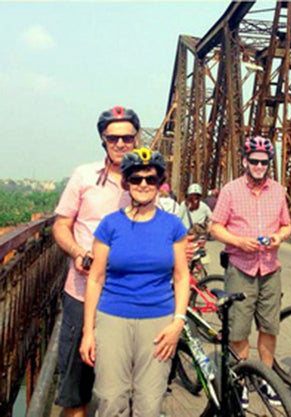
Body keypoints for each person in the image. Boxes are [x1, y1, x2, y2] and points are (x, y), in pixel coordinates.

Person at [79, 147, 190, 416]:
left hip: (158, 321)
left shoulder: (173, 226)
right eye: (136, 179)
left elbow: (181, 276)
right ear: (127, 183)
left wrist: (178, 322)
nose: (143, 184)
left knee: (149, 403)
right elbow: (95, 278)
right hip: (113, 317)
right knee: (109, 399)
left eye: (150, 179)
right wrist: (88, 331)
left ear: (159, 183)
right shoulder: (110, 225)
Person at [52, 105, 140, 417]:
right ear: (103, 139)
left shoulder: (146, 180)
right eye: (113, 138)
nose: (120, 144)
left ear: (136, 138)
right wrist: (78, 252)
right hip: (81, 290)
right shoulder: (84, 176)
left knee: (125, 392)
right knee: (76, 393)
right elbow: (61, 225)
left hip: (128, 296)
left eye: (127, 138)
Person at [210, 136, 291, 404]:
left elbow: (286, 225)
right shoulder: (231, 190)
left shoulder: (278, 191)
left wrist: (280, 237)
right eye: (254, 161)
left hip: (270, 268)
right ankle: (240, 382)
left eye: (264, 162)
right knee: (239, 329)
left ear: (269, 164)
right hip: (241, 268)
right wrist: (237, 241)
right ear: (245, 161)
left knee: (269, 327)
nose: (259, 166)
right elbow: (215, 226)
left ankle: (266, 379)